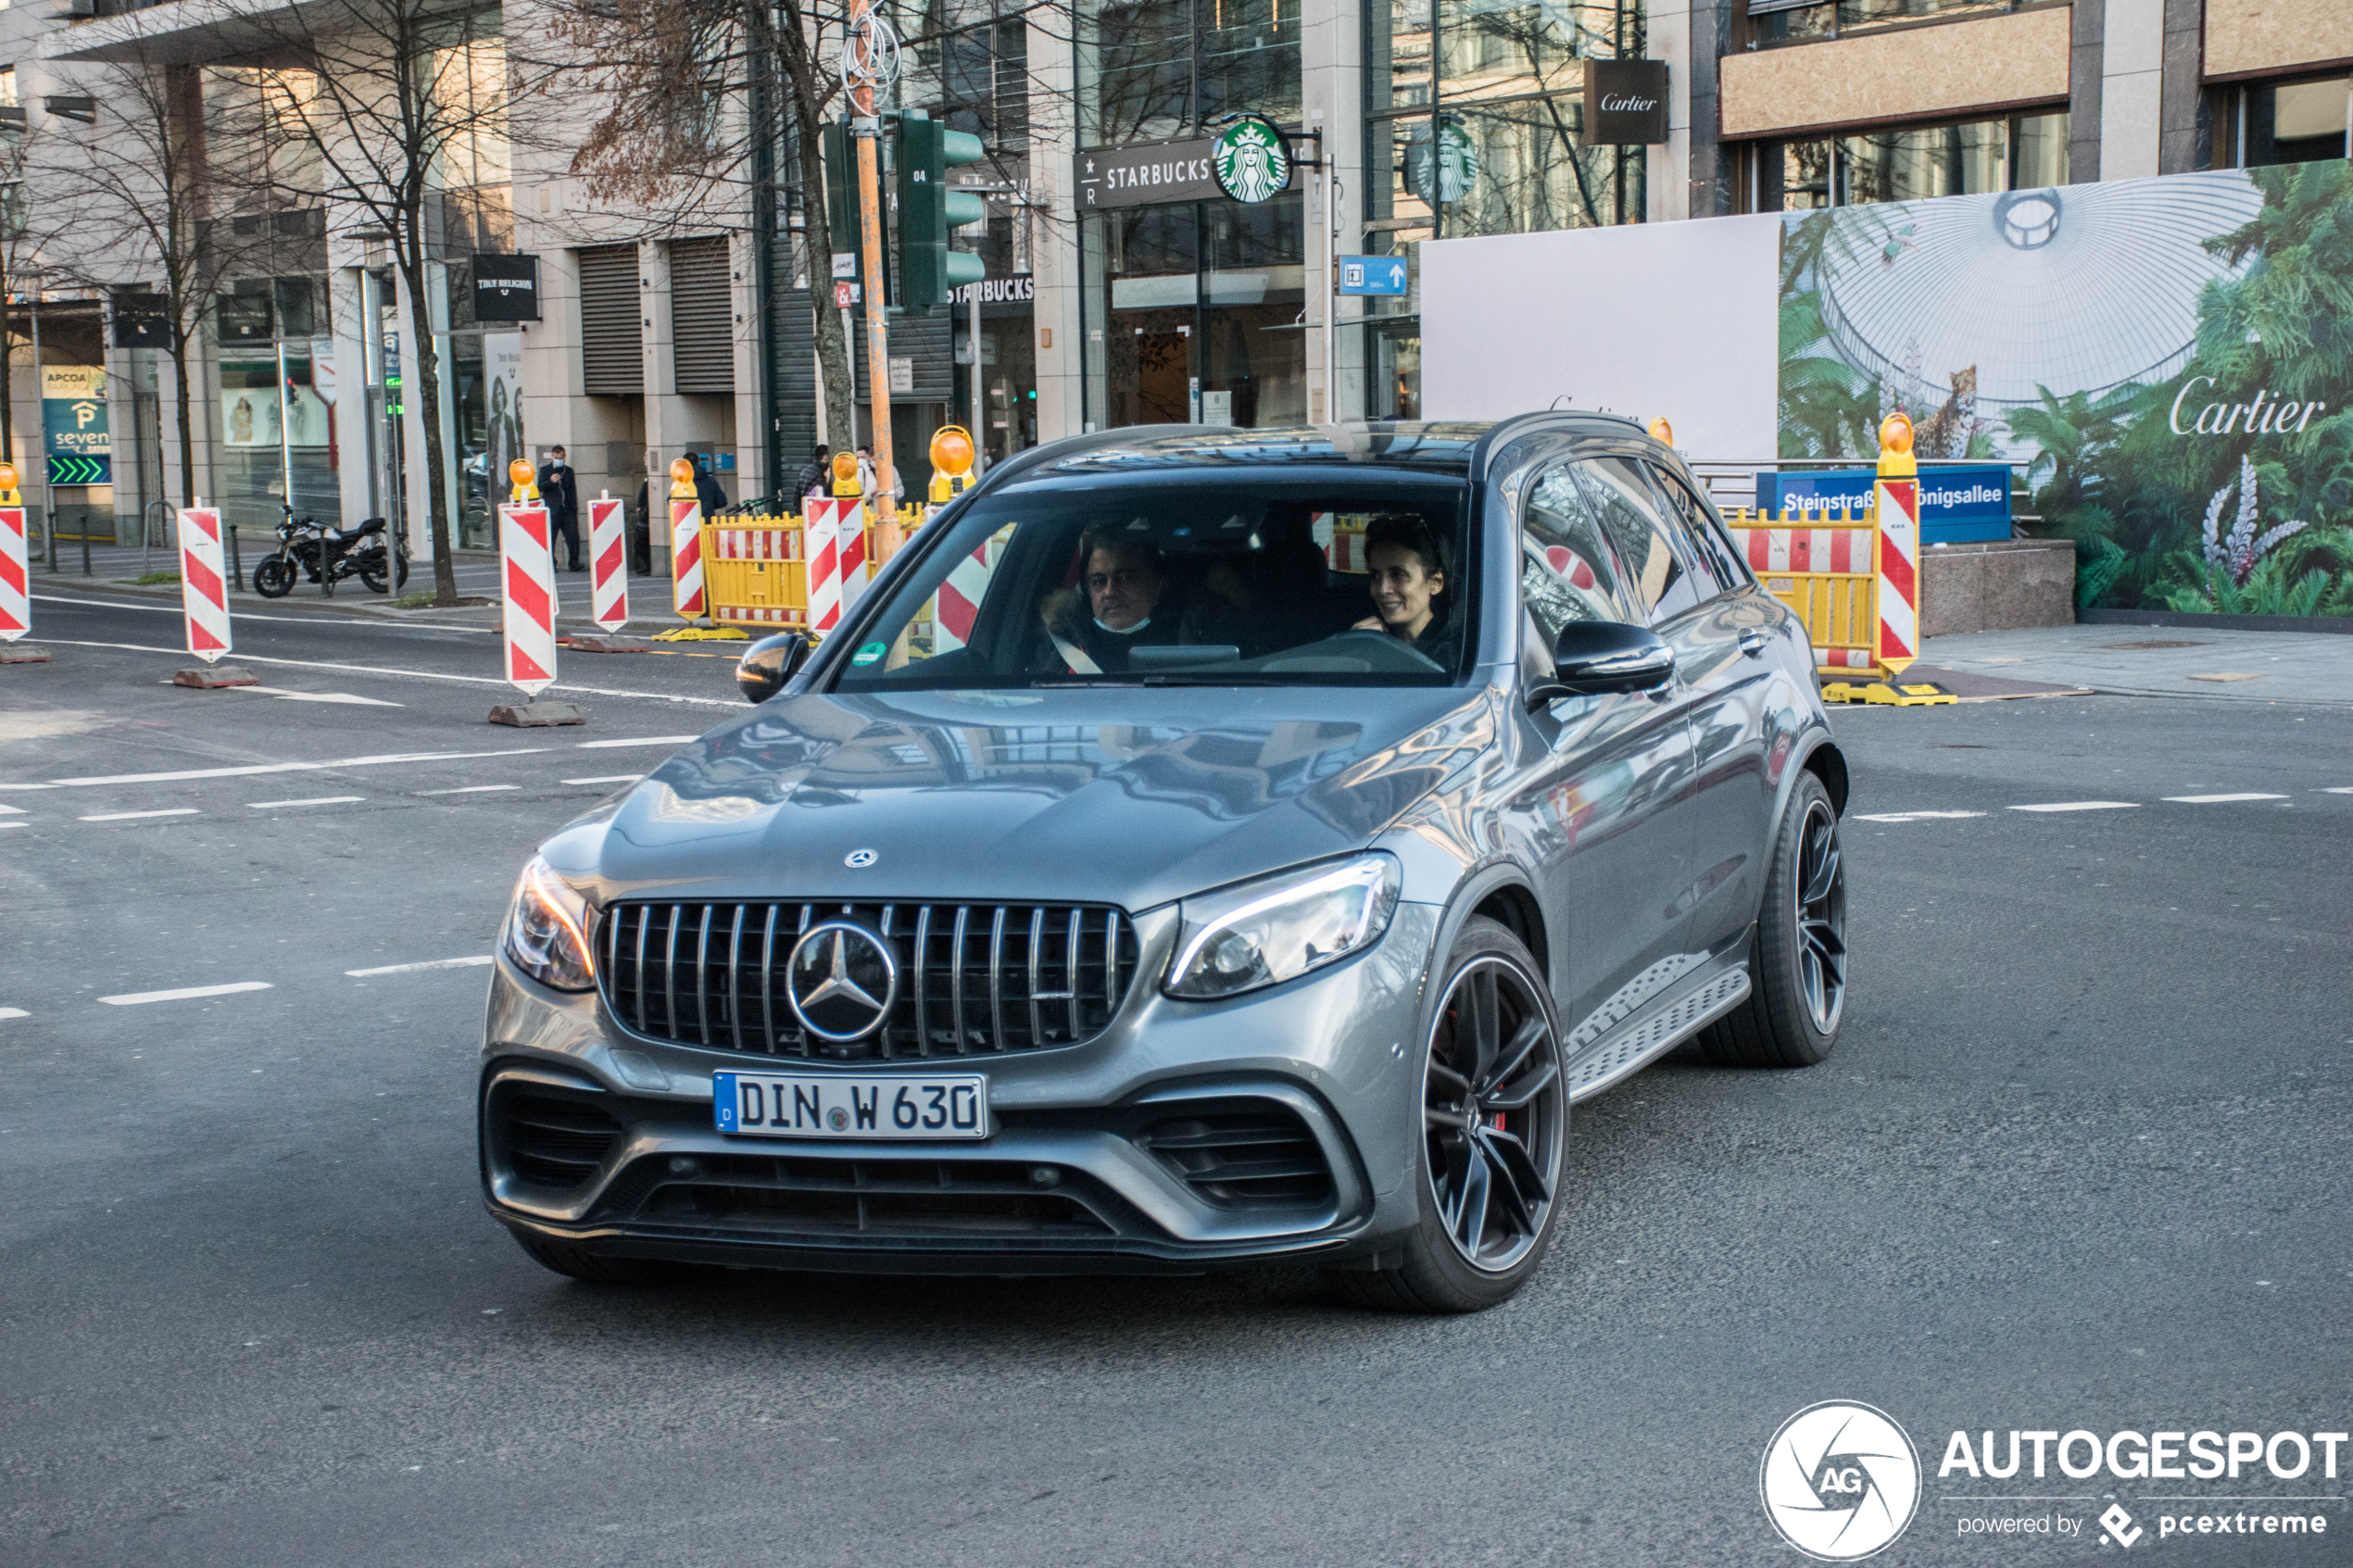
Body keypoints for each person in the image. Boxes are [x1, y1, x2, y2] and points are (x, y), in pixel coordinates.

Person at [1033, 530, 1185, 675]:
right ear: (1088, 592)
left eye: (1125, 578)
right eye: (1098, 582)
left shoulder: (1191, 638)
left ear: (1160, 587)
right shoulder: (1060, 647)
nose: (1109, 592)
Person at [1352, 515, 1460, 669]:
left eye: (1398, 575)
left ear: (1435, 583)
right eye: (1375, 576)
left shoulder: (1455, 656)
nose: (1383, 589)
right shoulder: (1367, 636)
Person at [537, 445, 582, 571]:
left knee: (573, 537)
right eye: (557, 457)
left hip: (567, 509)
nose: (559, 460)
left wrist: (574, 508)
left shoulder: (568, 471)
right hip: (553, 509)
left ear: (564, 457)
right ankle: (552, 563)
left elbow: (572, 490)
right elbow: (540, 487)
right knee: (551, 538)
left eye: (561, 457)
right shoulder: (545, 470)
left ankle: (574, 562)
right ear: (552, 456)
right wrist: (551, 481)